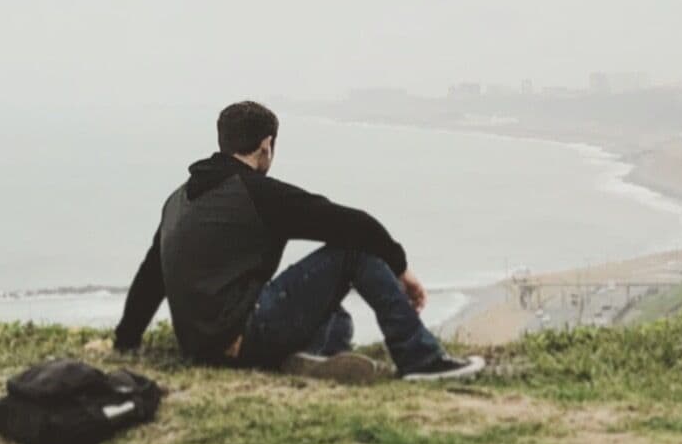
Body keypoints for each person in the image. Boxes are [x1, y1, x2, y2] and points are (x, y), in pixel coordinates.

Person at [109, 99, 483, 381]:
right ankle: (420, 359)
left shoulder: (178, 200)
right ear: (266, 145)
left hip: (201, 348)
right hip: (243, 337)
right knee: (353, 252)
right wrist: (402, 269)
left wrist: (125, 341)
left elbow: (150, 277)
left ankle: (309, 358)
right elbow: (357, 225)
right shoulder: (258, 194)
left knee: (335, 315)